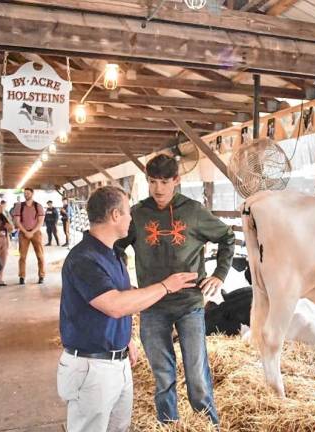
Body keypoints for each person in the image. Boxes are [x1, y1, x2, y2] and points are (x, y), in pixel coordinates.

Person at [57, 186, 197, 432]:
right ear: (114, 215)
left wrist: (125, 338)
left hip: (116, 361)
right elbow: (115, 305)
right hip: (92, 368)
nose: (131, 218)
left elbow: (119, 300)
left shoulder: (113, 254)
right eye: (127, 212)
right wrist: (166, 286)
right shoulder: (84, 258)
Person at [116, 154, 235, 426]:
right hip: (152, 306)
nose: (158, 189)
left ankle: (208, 424)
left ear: (176, 180)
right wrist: (123, 282)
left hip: (189, 305)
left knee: (196, 373)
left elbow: (227, 237)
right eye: (152, 181)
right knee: (162, 375)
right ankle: (169, 426)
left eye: (164, 182)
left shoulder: (193, 211)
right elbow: (116, 246)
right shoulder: (138, 213)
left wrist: (219, 274)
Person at [11, 187, 45, 285]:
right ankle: (22, 276)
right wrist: (25, 232)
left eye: (28, 193)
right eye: (25, 193)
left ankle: (41, 275)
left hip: (36, 232)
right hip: (23, 232)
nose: (26, 195)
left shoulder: (38, 206)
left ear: (32, 194)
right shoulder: (19, 206)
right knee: (22, 256)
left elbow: (40, 222)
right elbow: (17, 221)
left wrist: (32, 232)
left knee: (40, 255)